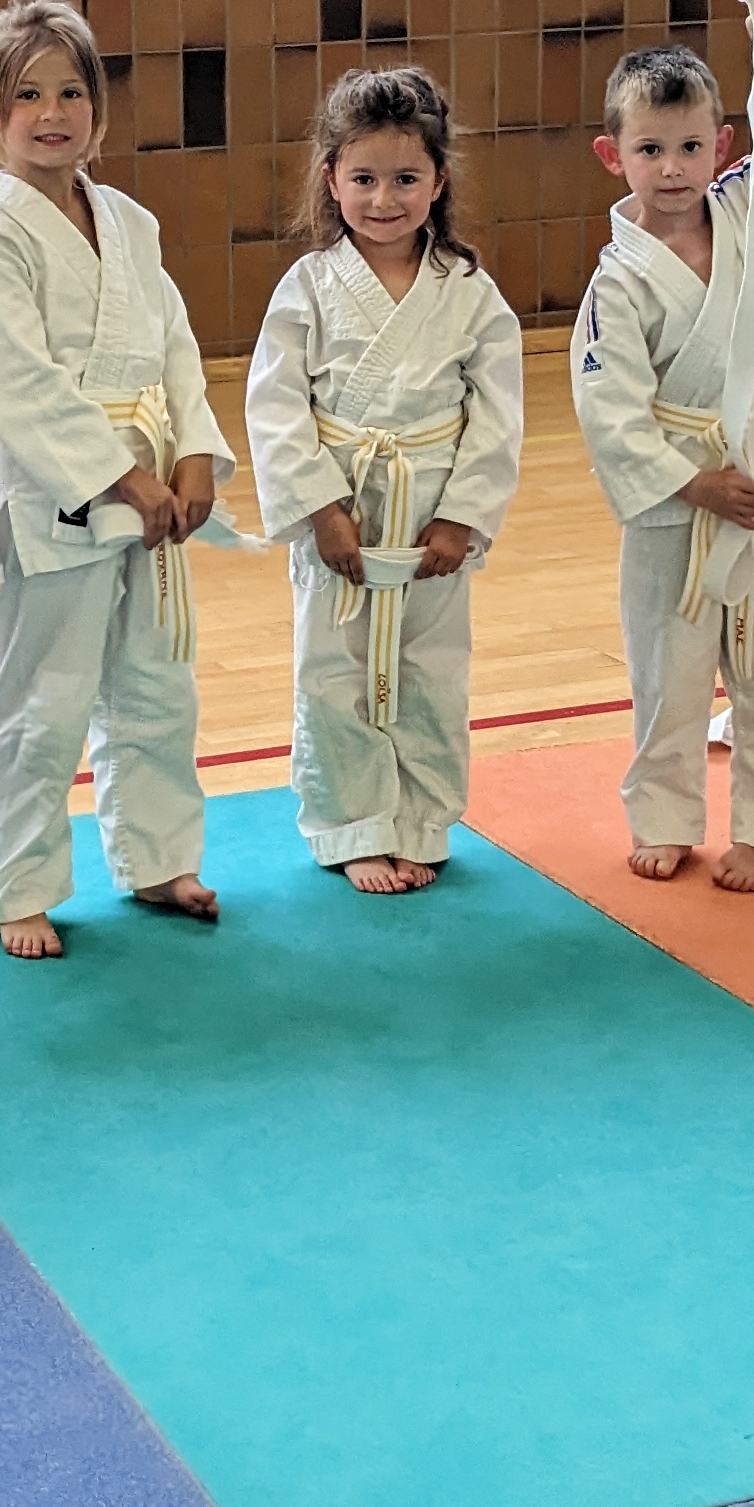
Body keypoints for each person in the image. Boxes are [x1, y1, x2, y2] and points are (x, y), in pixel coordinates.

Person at [0, 0, 233, 959]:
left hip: (151, 487)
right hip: (61, 500)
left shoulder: (128, 221)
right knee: (44, 701)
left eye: (70, 92)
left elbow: (174, 341)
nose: (51, 113)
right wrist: (118, 478)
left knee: (156, 682)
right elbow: (15, 381)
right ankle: (21, 888)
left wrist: (191, 453)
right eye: (26, 96)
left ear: (98, 106)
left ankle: (157, 858)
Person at [571, 0, 754, 893]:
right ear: (615, 156)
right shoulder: (617, 283)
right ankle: (664, 817)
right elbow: (610, 410)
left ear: (722, 145)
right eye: (651, 148)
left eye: (691, 146)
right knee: (669, 670)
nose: (674, 166)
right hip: (675, 498)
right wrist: (693, 484)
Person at [243, 67, 524, 895]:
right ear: (332, 180)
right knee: (333, 670)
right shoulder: (308, 288)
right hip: (344, 507)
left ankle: (423, 820)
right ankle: (352, 826)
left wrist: (463, 516)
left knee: (432, 669)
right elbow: (276, 407)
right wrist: (320, 511)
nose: (384, 198)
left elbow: (499, 413)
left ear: (439, 182)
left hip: (431, 509)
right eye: (363, 179)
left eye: (406, 179)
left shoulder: (470, 294)